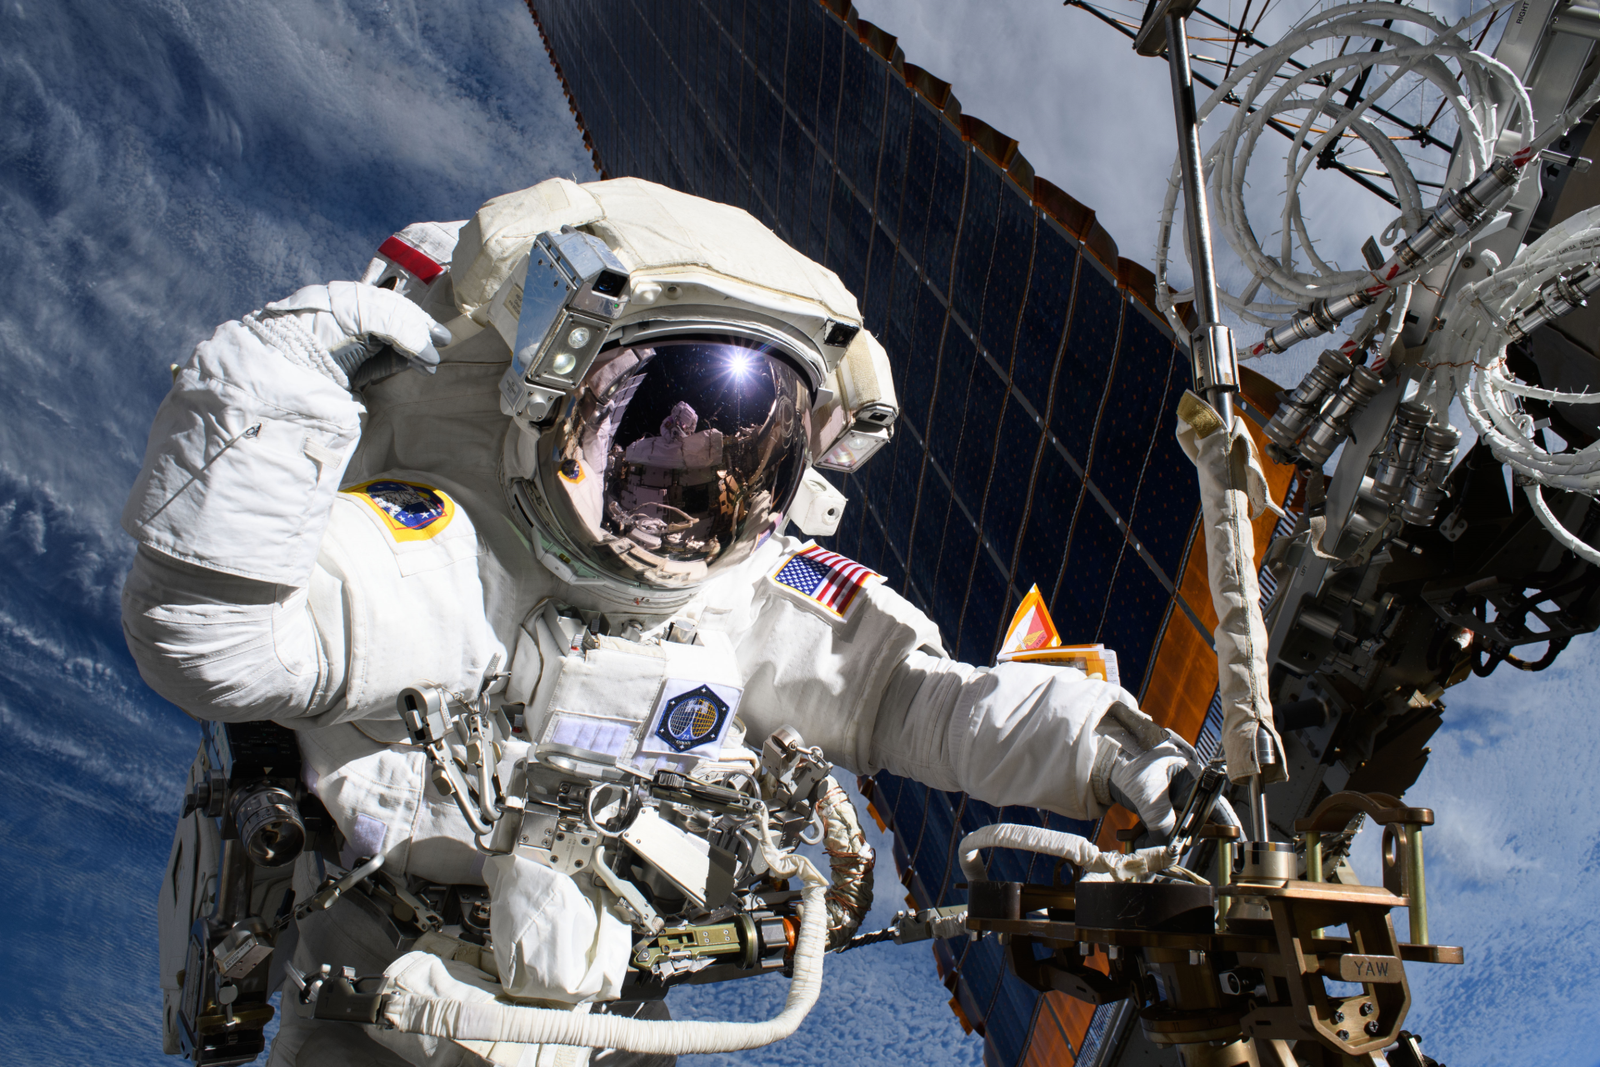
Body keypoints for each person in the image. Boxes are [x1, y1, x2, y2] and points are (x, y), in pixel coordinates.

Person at [122, 178, 1195, 1067]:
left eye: (748, 456)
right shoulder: (450, 548)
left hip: (610, 1015)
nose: (702, 480)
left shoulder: (742, 599)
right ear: (551, 396)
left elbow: (926, 703)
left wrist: (1117, 751)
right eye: (659, 427)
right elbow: (212, 639)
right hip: (393, 1001)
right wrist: (260, 411)